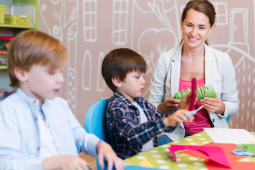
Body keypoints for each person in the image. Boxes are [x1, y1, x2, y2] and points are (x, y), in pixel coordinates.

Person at [0, 30, 125, 170]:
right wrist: (55, 162)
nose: (61, 79)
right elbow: (7, 165)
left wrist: (100, 145)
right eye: (52, 73)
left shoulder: (59, 105)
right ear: (22, 73)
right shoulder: (8, 111)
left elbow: (80, 137)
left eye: (61, 72)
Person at [148, 0, 239, 141]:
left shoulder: (222, 60)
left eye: (201, 27)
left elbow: (233, 105)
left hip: (212, 136)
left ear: (211, 28)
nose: (194, 33)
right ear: (181, 23)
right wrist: (166, 107)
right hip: (173, 135)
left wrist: (220, 106)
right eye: (189, 25)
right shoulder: (165, 60)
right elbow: (151, 108)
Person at [101, 48, 194, 159]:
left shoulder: (140, 102)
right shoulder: (117, 107)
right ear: (117, 81)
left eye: (143, 76)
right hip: (130, 165)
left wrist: (179, 111)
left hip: (147, 159)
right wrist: (166, 121)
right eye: (137, 77)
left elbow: (163, 123)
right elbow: (133, 136)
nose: (143, 81)